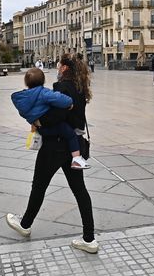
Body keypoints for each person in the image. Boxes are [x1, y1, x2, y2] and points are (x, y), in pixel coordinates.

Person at [6, 53, 98, 254]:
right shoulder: (80, 88)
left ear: (64, 68)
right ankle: (89, 239)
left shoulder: (62, 88)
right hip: (72, 144)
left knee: (39, 186)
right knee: (80, 190)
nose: (57, 67)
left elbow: (57, 116)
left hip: (55, 146)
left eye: (59, 64)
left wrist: (38, 121)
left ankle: (25, 224)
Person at [11, 67, 89, 169]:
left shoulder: (21, 97)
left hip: (41, 130)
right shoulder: (43, 93)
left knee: (39, 184)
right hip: (54, 129)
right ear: (43, 81)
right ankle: (76, 159)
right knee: (71, 134)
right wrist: (69, 103)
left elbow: (23, 113)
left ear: (26, 83)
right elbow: (64, 100)